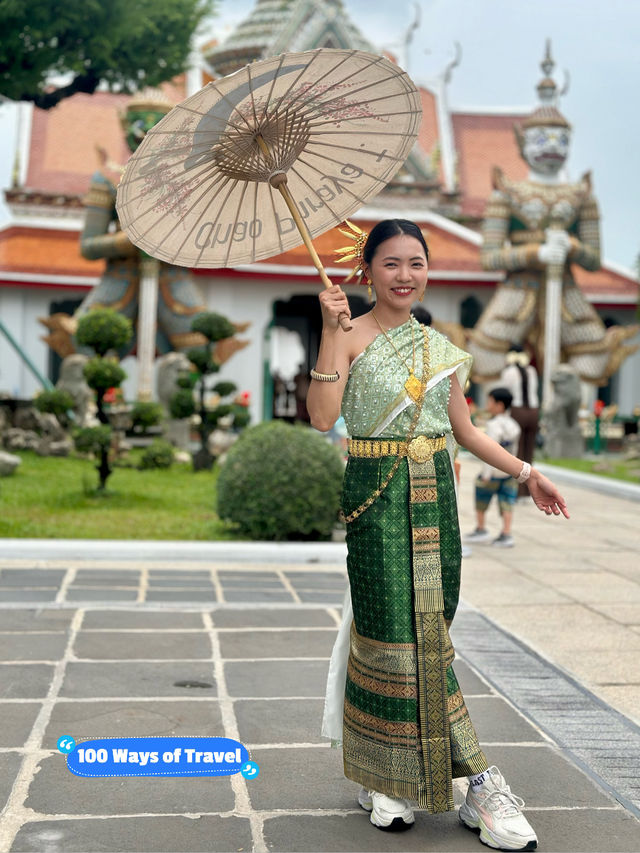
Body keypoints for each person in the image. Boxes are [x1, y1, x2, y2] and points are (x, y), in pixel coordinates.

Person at [307, 219, 569, 852]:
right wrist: (327, 329)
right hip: (375, 499)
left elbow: (470, 433)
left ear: (429, 271)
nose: (405, 275)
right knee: (393, 634)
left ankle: (390, 778)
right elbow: (321, 419)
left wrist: (526, 474)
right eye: (391, 263)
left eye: (416, 263)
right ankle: (480, 781)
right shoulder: (347, 337)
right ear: (366, 270)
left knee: (432, 633)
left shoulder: (442, 348)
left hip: (436, 504)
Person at [466, 387, 521, 547]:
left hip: (493, 472)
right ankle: (506, 533)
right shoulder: (514, 425)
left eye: (490, 401)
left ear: (500, 405)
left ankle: (481, 528)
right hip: (509, 472)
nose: (488, 404)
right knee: (507, 502)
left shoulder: (492, 426)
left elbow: (489, 451)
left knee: (481, 498)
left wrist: (486, 473)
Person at [500, 345, 540, 498]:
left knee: (517, 452)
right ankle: (528, 491)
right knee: (529, 451)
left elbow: (505, 394)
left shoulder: (509, 372)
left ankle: (515, 490)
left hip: (517, 411)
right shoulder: (532, 371)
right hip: (533, 411)